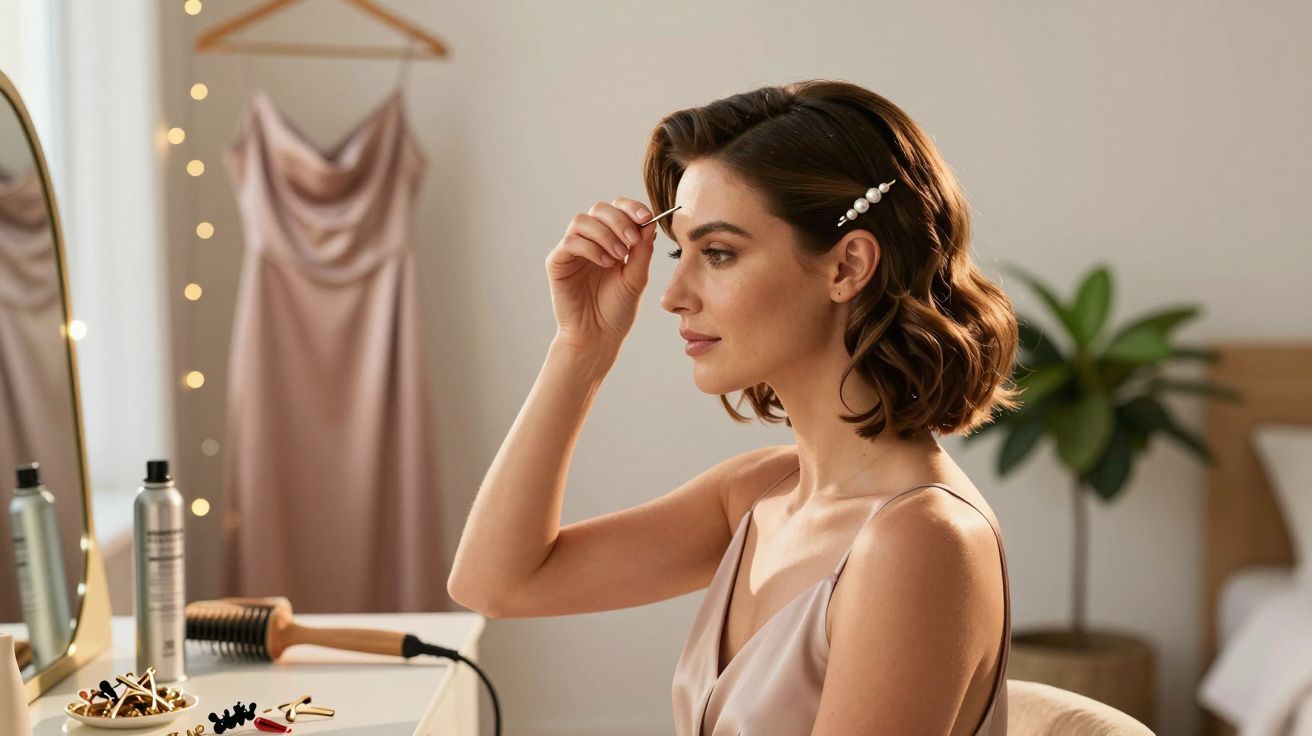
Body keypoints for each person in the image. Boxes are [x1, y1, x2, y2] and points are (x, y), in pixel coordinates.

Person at [448, 78, 1020, 734]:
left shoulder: (918, 541)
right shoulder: (758, 493)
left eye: (718, 253)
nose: (671, 295)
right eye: (678, 251)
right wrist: (582, 348)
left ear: (846, 266)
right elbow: (495, 583)